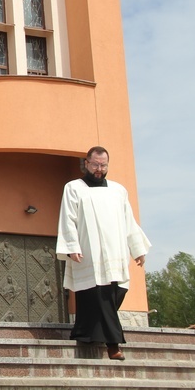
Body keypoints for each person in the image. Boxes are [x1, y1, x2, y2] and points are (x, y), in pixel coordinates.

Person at [56, 146, 151, 361]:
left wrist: (137, 249)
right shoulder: (74, 188)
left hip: (115, 253)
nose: (99, 169)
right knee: (101, 297)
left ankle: (84, 333)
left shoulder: (118, 190)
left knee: (112, 294)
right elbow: (68, 218)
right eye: (95, 164)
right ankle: (113, 344)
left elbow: (129, 220)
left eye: (103, 165)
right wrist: (72, 246)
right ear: (87, 163)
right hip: (89, 254)